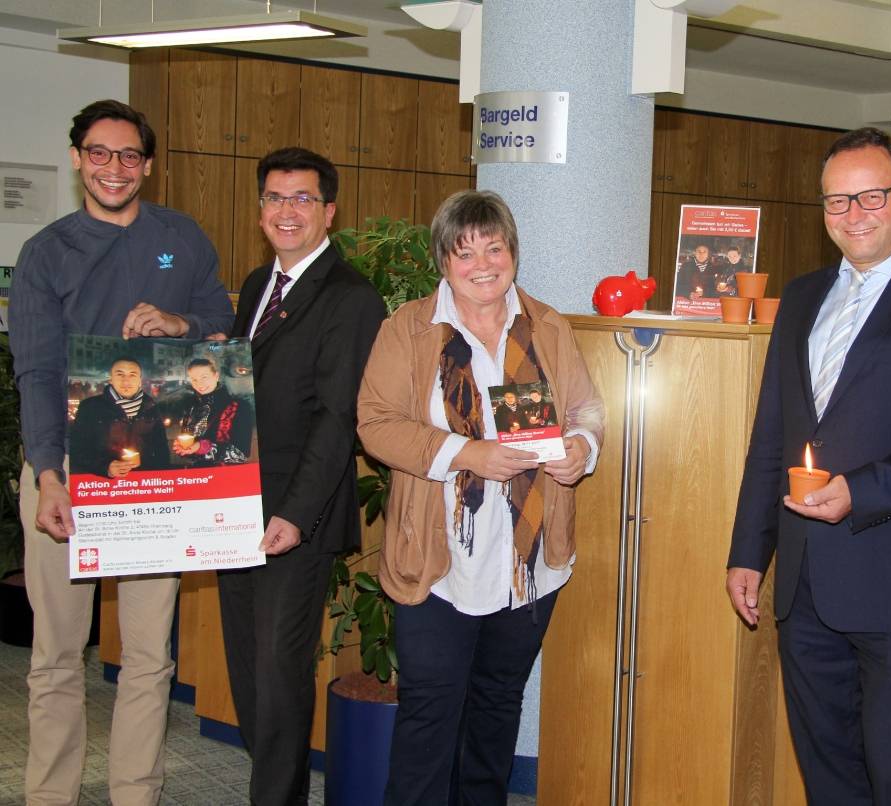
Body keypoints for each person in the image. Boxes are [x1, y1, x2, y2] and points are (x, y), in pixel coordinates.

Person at [727, 127, 891, 805]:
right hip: (807, 586)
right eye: (836, 202)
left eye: (870, 196)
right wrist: (747, 552)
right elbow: (773, 438)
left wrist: (861, 491)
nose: (853, 215)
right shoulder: (801, 297)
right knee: (829, 774)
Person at [9, 98, 233, 805]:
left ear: (148, 163)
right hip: (68, 470)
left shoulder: (183, 238)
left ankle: (136, 793)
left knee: (148, 658)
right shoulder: (47, 252)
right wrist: (49, 476)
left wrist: (181, 321)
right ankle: (51, 796)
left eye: (130, 155)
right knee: (56, 656)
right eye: (100, 153)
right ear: (78, 158)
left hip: (156, 472)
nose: (115, 168)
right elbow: (36, 372)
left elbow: (221, 332)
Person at [356, 189, 604, 805]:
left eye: (495, 247)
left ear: (514, 253)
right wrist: (468, 455)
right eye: (465, 252)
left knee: (496, 711)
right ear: (444, 260)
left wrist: (582, 448)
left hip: (528, 559)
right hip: (438, 561)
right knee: (428, 720)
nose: (483, 264)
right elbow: (375, 423)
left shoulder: (546, 325)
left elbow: (586, 409)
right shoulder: (409, 328)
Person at [217, 147, 385, 805]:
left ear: (329, 211)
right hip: (233, 508)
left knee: (280, 675)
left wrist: (293, 515)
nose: (287, 211)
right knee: (248, 668)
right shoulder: (259, 284)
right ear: (261, 209)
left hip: (293, 518)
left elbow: (337, 419)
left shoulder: (351, 297)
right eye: (275, 198)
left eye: (302, 199)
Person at [69, 357, 171, 478]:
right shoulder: (90, 407)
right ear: (111, 379)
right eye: (120, 374)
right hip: (103, 485)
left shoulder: (151, 407)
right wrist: (106, 467)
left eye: (132, 375)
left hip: (144, 483)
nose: (126, 381)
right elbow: (77, 450)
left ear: (140, 380)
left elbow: (161, 449)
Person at [170, 357, 254, 467]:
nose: (199, 383)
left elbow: (241, 454)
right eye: (193, 379)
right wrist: (183, 448)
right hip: (198, 475)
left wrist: (202, 447)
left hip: (226, 476)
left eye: (204, 377)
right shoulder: (191, 408)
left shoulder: (240, 407)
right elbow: (190, 449)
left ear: (216, 376)